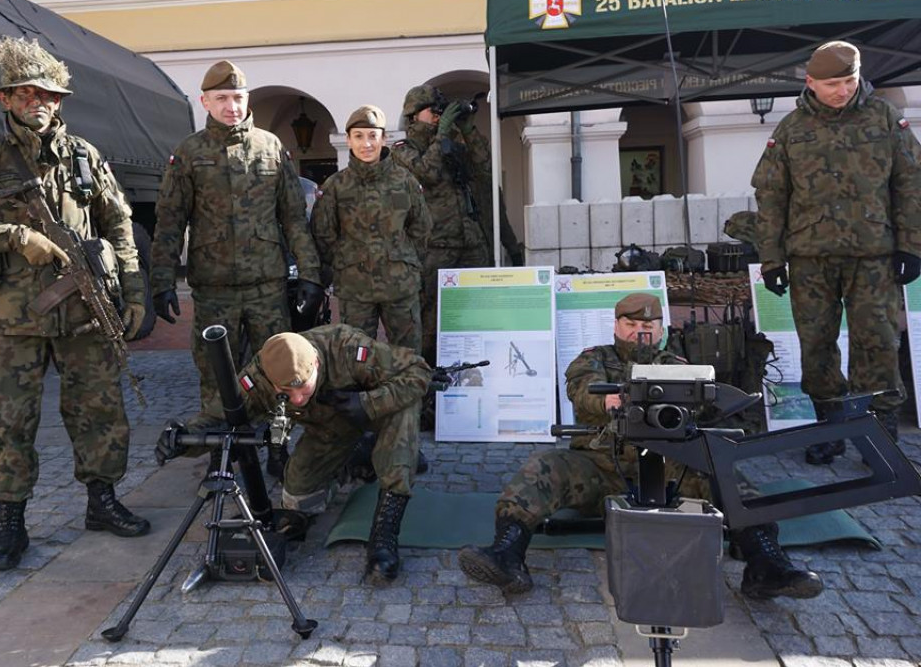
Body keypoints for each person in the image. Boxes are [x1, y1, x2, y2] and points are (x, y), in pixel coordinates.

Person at [0, 37, 151, 571]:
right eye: (25, 94)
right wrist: (11, 236)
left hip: (84, 317)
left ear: (59, 100)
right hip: (12, 318)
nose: (38, 103)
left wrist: (133, 293)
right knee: (10, 421)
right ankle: (11, 524)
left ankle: (102, 502)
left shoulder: (85, 156)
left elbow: (119, 226)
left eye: (47, 94)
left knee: (99, 412)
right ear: (6, 100)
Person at [458, 294, 824, 601]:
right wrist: (610, 402)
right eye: (631, 325)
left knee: (722, 472)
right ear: (616, 326)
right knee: (544, 467)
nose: (640, 332)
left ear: (661, 330)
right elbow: (582, 389)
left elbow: (703, 403)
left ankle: (766, 564)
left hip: (668, 466)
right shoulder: (594, 358)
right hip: (599, 464)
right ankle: (507, 554)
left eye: (648, 326)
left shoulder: (676, 364)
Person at [752, 41, 921, 464]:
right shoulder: (791, 129)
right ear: (810, 82)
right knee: (817, 345)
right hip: (811, 258)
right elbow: (771, 196)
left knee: (878, 342)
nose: (842, 90)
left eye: (849, 81)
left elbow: (910, 184)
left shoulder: (885, 118)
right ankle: (830, 428)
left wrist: (911, 245)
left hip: (874, 256)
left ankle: (880, 435)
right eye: (832, 84)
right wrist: (771, 258)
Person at [155, 324, 431, 584]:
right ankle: (357, 458)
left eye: (303, 386)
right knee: (299, 499)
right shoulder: (261, 375)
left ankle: (384, 535)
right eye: (286, 391)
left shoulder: (347, 348)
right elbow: (217, 418)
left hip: (379, 415)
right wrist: (182, 438)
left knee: (402, 419)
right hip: (330, 431)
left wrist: (367, 402)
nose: (297, 398)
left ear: (317, 365)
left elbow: (418, 371)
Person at [150, 60, 324, 428]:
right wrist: (162, 281)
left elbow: (293, 217)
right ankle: (219, 443)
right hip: (214, 288)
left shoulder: (271, 147)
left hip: (267, 285)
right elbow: (169, 222)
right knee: (216, 370)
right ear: (205, 102)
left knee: (279, 364)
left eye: (238, 97)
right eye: (222, 98)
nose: (232, 106)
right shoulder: (189, 153)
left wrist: (310, 274)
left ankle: (277, 440)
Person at [391, 84, 523, 366]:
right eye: (433, 111)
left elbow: (483, 168)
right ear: (413, 115)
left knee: (481, 310)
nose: (438, 116)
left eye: (441, 111)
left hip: (471, 240)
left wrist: (468, 130)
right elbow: (428, 173)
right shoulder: (403, 149)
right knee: (431, 319)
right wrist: (441, 137)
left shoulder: (452, 141)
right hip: (435, 246)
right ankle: (426, 382)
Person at [311, 105, 431, 353]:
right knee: (355, 357)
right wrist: (347, 262)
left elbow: (421, 227)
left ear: (384, 138)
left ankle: (408, 393)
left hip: (400, 287)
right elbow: (323, 234)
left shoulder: (404, 181)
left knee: (407, 353)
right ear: (348, 140)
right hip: (356, 290)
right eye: (359, 136)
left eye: (372, 135)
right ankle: (362, 395)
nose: (366, 143)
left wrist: (404, 260)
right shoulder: (336, 185)